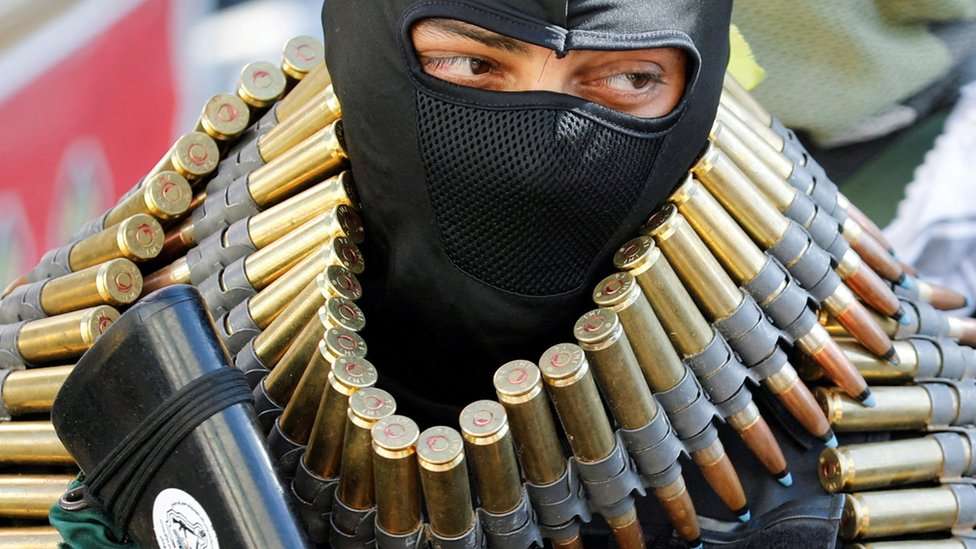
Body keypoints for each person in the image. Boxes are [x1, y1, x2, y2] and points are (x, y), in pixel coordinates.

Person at [324, 1, 841, 547]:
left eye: (630, 77)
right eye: (471, 65)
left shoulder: (816, 465)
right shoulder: (224, 308)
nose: (534, 165)